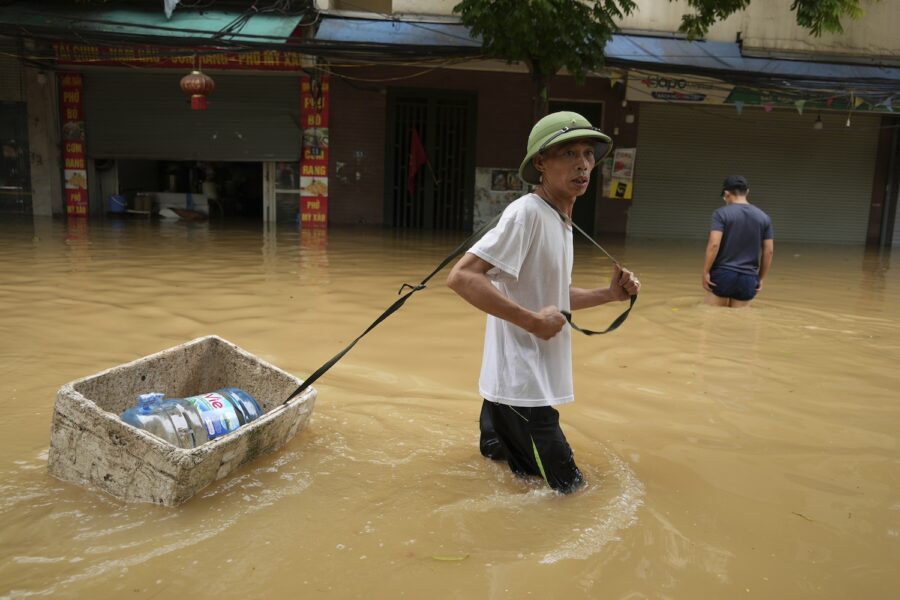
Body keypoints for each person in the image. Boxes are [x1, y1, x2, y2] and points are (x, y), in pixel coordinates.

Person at [446, 111, 640, 494]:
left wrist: (610, 294)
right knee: (571, 493)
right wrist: (533, 322)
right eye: (568, 153)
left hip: (512, 386)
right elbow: (462, 277)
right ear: (541, 163)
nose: (583, 163)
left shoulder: (560, 218)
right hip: (523, 388)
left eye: (587, 153)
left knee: (509, 476)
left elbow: (552, 295)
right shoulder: (528, 214)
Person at [702, 176, 774, 308]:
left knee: (712, 319)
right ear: (747, 192)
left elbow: (714, 244)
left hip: (723, 275)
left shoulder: (721, 214)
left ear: (726, 194)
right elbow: (769, 251)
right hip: (748, 278)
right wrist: (760, 278)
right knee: (740, 323)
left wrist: (705, 271)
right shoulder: (764, 217)